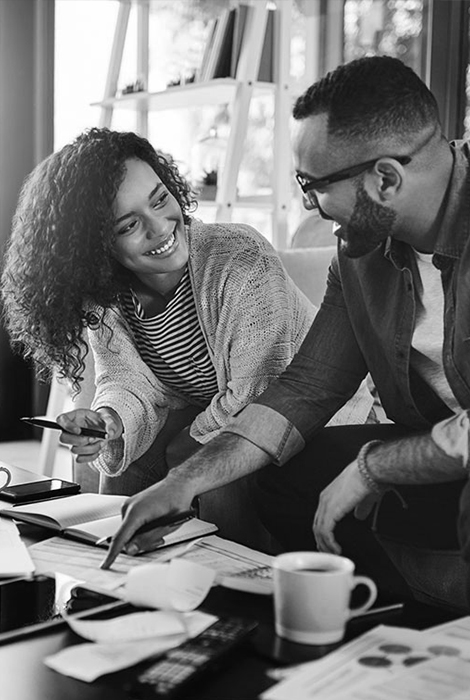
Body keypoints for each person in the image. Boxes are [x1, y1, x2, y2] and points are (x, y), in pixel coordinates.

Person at [97, 56, 470, 611]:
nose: (308, 205)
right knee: (285, 471)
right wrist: (184, 482)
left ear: (385, 178)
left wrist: (374, 467)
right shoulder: (360, 253)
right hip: (443, 454)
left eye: (312, 185)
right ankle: (376, 622)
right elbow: (305, 389)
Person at [1, 127, 373, 521]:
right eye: (128, 225)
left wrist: (185, 450)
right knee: (128, 464)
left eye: (160, 199)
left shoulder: (240, 258)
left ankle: (225, 576)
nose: (160, 227)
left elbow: (260, 394)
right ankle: (121, 564)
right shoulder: (108, 295)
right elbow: (127, 381)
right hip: (215, 411)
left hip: (305, 420)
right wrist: (108, 420)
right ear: (96, 248)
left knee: (213, 473)